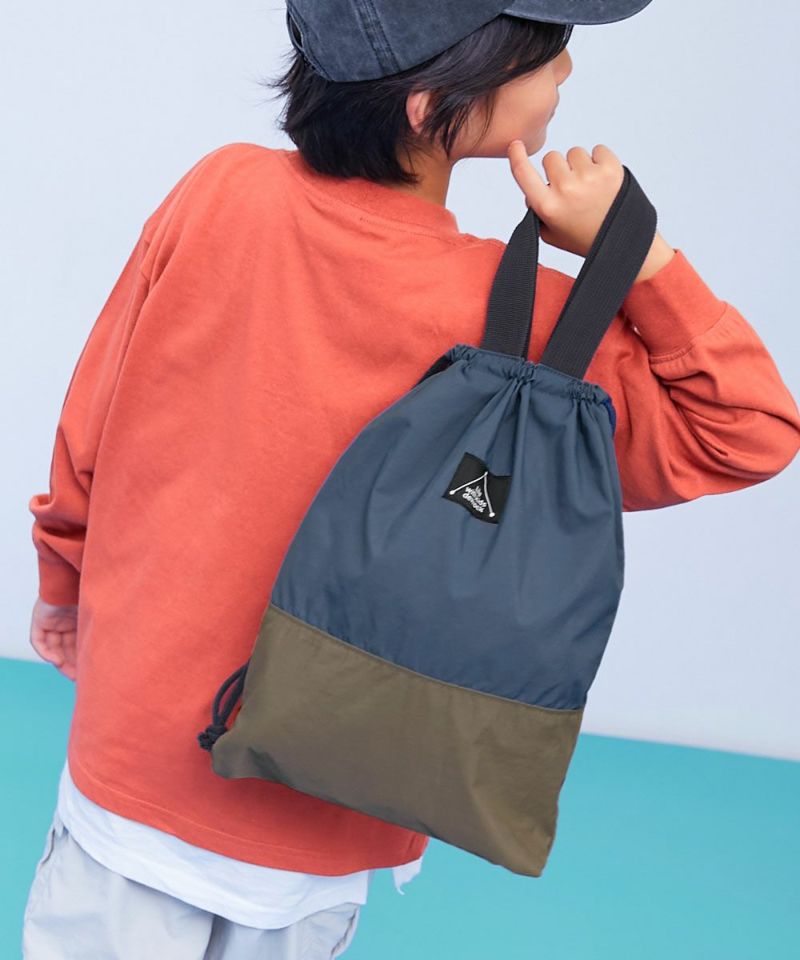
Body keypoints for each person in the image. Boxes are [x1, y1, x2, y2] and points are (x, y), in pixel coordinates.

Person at [22, 0, 800, 957]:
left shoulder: (219, 193)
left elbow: (92, 422)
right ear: (433, 104)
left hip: (131, 769)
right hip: (329, 807)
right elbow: (749, 428)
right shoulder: (534, 331)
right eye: (544, 53)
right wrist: (639, 259)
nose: (565, 71)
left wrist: (61, 583)